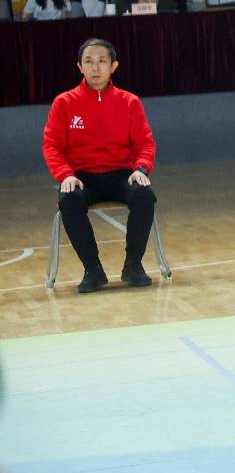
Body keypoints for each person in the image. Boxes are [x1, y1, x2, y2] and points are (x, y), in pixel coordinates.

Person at [42, 38, 158, 293]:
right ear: (80, 67)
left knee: (144, 195)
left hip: (121, 174)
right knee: (69, 200)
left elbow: (146, 143)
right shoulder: (64, 102)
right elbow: (51, 146)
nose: (95, 67)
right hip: (81, 177)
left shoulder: (129, 102)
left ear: (113, 66)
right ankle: (93, 270)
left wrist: (141, 168)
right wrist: (65, 175)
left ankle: (133, 265)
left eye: (102, 61)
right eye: (89, 61)